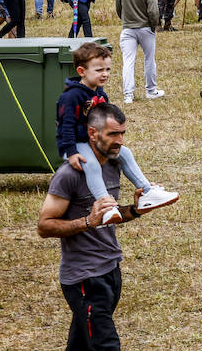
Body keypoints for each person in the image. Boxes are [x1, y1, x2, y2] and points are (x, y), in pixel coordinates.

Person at [39, 103, 170, 351]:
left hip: (111, 269)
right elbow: (44, 226)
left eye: (122, 133)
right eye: (112, 134)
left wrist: (134, 210)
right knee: (105, 345)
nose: (119, 141)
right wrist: (88, 221)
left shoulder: (113, 165)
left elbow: (110, 217)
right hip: (84, 279)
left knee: (81, 344)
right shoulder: (69, 174)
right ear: (92, 133)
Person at [55, 42, 179, 226]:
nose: (104, 74)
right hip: (77, 143)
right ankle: (106, 206)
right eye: (99, 70)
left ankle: (146, 191)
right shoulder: (72, 96)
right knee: (92, 165)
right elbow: (66, 126)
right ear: (82, 71)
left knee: (126, 153)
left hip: (96, 141)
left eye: (107, 69)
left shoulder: (100, 94)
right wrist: (72, 152)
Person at [113, 0, 164, 104]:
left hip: (128, 28)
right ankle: (151, 90)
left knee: (128, 62)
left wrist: (125, 19)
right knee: (149, 60)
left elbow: (118, 7)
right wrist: (154, 25)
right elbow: (153, 10)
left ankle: (128, 95)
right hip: (145, 27)